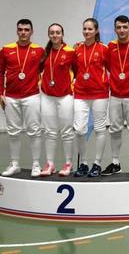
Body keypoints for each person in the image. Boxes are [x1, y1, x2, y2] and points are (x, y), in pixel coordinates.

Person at [0, 19, 44, 177]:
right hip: (11, 97)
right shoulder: (6, 49)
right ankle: (15, 164)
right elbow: (0, 72)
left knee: (34, 131)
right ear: (17, 31)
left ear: (32, 32)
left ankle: (36, 164)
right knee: (13, 132)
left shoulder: (39, 50)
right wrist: (0, 93)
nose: (23, 32)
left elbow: (48, 67)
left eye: (26, 29)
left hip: (32, 96)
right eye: (21, 29)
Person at [102, 15, 129, 177]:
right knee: (114, 129)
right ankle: (115, 162)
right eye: (118, 27)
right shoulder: (110, 46)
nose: (121, 30)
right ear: (115, 29)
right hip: (115, 95)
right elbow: (106, 65)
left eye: (124, 27)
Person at [72, 18, 110, 177]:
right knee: (79, 129)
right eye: (85, 29)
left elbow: (111, 68)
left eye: (90, 29)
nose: (87, 32)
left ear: (96, 31)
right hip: (80, 93)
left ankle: (97, 163)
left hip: (99, 94)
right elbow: (74, 69)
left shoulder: (104, 49)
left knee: (100, 129)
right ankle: (83, 163)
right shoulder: (77, 49)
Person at [39, 23, 76, 177]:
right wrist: (41, 84)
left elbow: (79, 72)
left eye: (58, 32)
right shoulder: (44, 53)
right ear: (49, 35)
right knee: (49, 131)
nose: (55, 35)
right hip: (47, 96)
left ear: (62, 34)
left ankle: (68, 163)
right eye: (52, 32)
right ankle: (50, 164)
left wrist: (72, 87)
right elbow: (38, 71)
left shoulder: (70, 52)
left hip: (65, 96)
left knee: (67, 131)